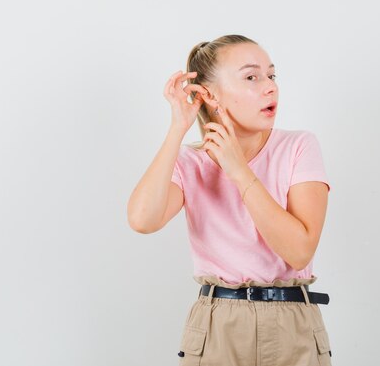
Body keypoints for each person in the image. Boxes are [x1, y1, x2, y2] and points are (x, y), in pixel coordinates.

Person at [127, 34, 333, 366]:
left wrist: (238, 170)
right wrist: (178, 128)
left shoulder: (299, 146)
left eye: (271, 75)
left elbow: (299, 251)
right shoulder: (191, 163)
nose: (270, 87)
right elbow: (142, 219)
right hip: (217, 324)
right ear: (208, 95)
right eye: (252, 77)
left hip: (292, 322)